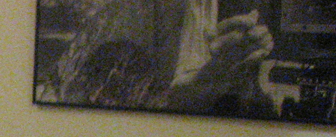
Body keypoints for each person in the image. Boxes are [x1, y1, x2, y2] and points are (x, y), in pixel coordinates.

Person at [51, 0, 274, 115]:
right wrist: (181, 95)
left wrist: (249, 60)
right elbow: (78, 105)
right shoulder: (126, 12)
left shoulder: (241, 8)